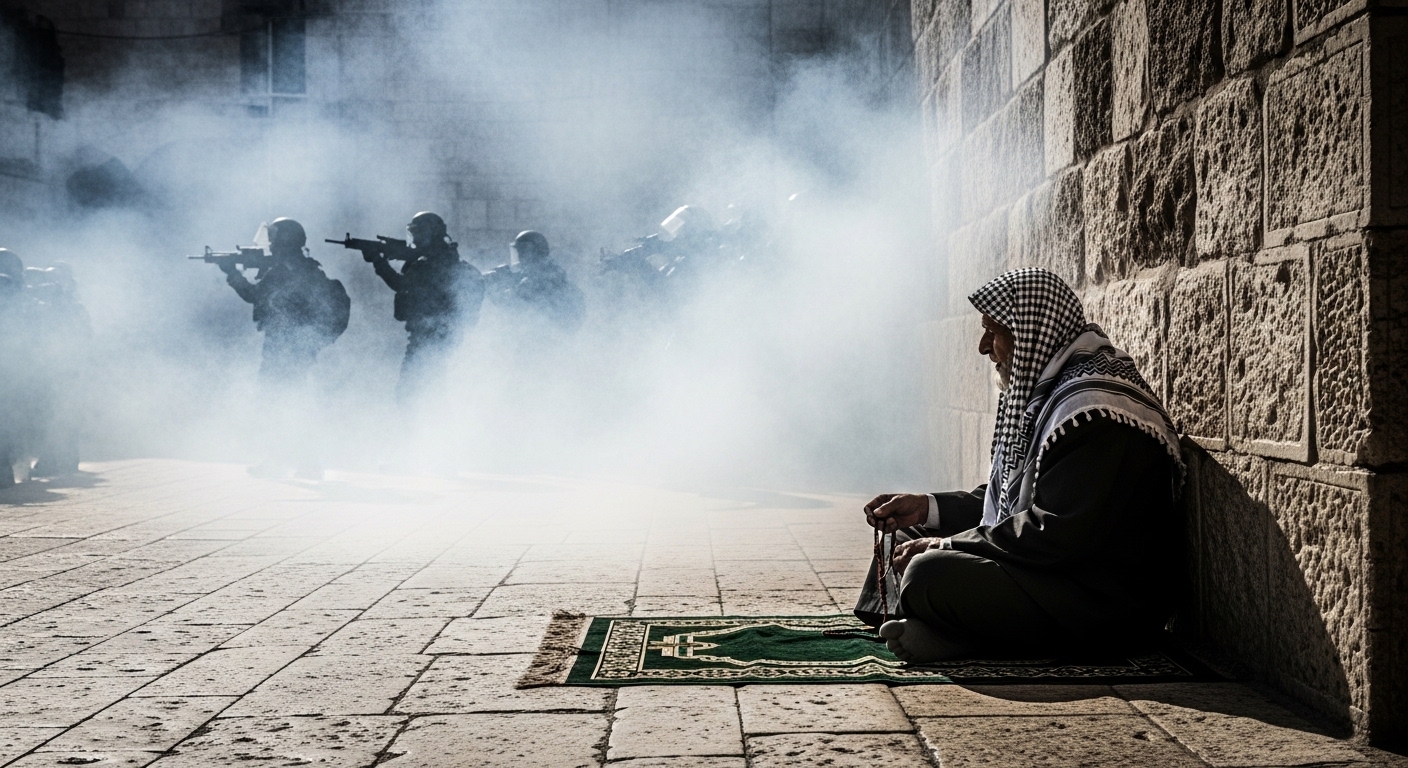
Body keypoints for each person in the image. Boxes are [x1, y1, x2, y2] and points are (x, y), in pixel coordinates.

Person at [857, 268, 1183, 663]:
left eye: (993, 331)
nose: (983, 347)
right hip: (1051, 571)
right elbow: (1012, 504)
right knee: (905, 532)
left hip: (1098, 601)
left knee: (930, 572)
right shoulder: (1054, 389)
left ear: (1031, 331)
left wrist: (946, 544)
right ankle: (947, 628)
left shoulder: (1092, 411)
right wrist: (927, 507)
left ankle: (962, 636)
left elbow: (1051, 532)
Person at [220, 218, 350, 478]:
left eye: (275, 236)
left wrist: (232, 274)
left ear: (285, 240)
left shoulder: (284, 268)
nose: (271, 241)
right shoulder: (302, 266)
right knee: (290, 401)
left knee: (278, 401)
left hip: (286, 345)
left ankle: (284, 462)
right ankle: (304, 464)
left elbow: (254, 295)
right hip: (296, 345)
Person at [363, 211, 484, 404]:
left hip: (427, 336)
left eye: (420, 233)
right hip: (444, 334)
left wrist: (379, 261)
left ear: (433, 233)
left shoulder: (430, 262)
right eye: (413, 232)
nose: (416, 238)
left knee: (409, 393)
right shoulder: (445, 256)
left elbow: (400, 284)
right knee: (432, 390)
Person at [26, 263, 92, 477]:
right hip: (52, 370)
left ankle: (60, 461)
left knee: (61, 416)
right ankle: (54, 460)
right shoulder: (49, 305)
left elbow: (80, 338)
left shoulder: (68, 307)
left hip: (64, 371)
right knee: (50, 418)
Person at [485, 230, 584, 334]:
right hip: (558, 335)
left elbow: (509, 304)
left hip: (544, 337)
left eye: (523, 252)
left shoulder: (536, 279)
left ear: (537, 252)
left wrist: (490, 289)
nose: (520, 257)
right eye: (519, 253)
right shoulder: (552, 270)